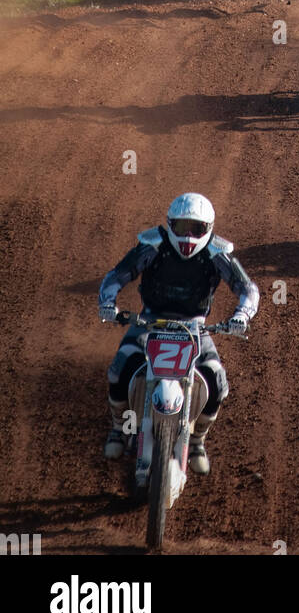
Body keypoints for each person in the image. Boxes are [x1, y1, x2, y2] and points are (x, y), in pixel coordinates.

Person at [98, 193, 259, 475]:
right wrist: (109, 304)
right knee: (120, 370)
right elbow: (116, 276)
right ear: (170, 224)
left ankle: (196, 440)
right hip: (149, 320)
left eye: (196, 229)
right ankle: (118, 428)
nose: (188, 236)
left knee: (216, 381)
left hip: (195, 325)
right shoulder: (153, 246)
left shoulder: (216, 253)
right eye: (182, 227)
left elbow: (248, 290)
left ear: (208, 229)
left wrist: (240, 316)